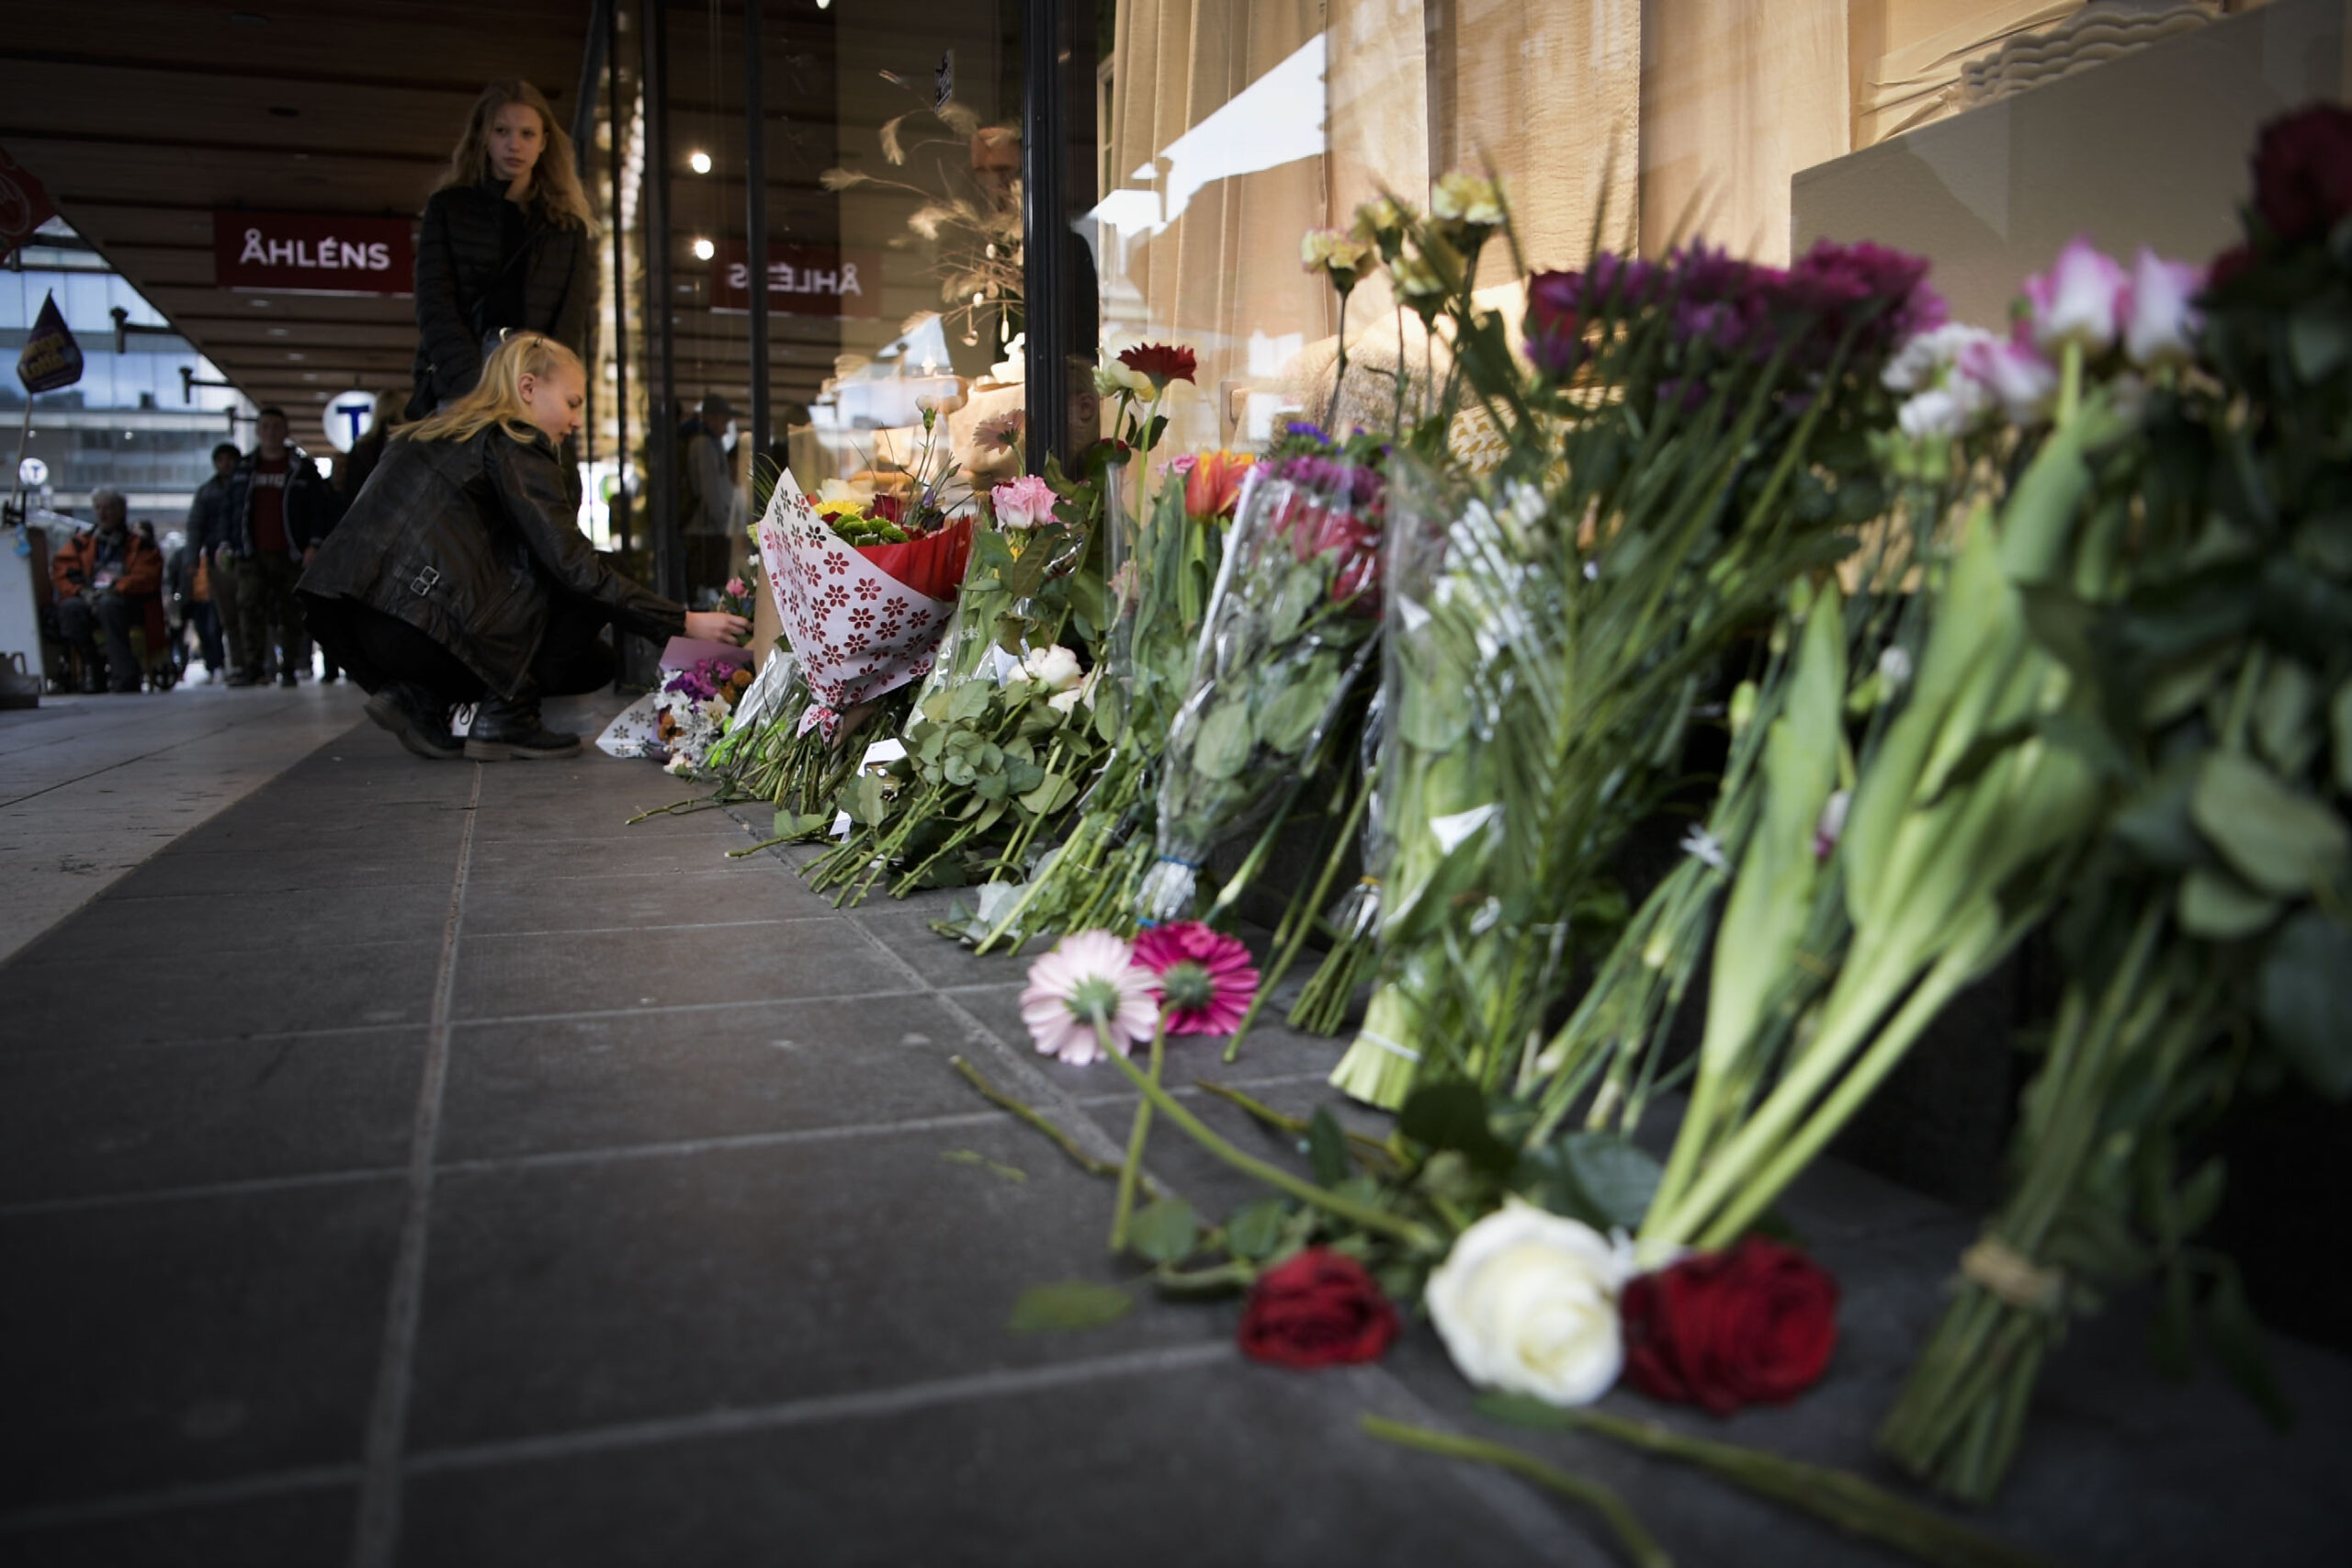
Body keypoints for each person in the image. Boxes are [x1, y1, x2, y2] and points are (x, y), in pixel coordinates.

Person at [300, 333, 748, 761]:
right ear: (528, 388)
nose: (576, 420)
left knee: (594, 657)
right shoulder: (512, 440)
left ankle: (419, 696)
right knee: (598, 578)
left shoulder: (432, 434)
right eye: (572, 403)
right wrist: (683, 622)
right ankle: (506, 713)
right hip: (422, 624)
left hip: (360, 622)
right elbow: (575, 566)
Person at [411, 81, 597, 418]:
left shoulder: (566, 229)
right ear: (484, 136)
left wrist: (542, 387)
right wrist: (473, 384)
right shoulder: (449, 210)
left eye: (527, 134)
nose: (514, 145)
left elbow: (569, 321)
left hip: (534, 390)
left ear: (543, 142)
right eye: (502, 131)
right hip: (461, 384)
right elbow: (435, 305)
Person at [220, 408, 334, 687]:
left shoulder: (302, 470)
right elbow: (230, 510)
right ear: (259, 431)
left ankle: (290, 668)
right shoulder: (244, 470)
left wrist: (314, 543)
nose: (270, 432)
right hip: (252, 553)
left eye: (276, 427)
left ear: (285, 432)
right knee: (249, 607)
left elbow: (320, 509)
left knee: (291, 611)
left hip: (290, 553)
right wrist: (225, 543)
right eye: (266, 427)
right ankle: (254, 667)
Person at [51, 490, 163, 694]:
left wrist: (116, 588)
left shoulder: (139, 544)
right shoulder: (80, 542)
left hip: (127, 604)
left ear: (121, 511)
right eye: (98, 508)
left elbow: (146, 576)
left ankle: (125, 675)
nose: (103, 513)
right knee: (69, 609)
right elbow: (63, 571)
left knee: (109, 606)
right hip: (88, 599)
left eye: (109, 508)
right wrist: (82, 591)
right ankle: (91, 668)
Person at [678, 390, 745, 596]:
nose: (725, 429)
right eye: (723, 421)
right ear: (710, 418)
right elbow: (710, 488)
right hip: (707, 530)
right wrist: (723, 523)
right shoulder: (704, 444)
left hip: (711, 527)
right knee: (709, 582)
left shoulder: (710, 443)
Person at [187, 441, 243, 680]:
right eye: (221, 460)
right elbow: (195, 526)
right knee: (228, 616)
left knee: (251, 611)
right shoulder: (207, 492)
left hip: (245, 556)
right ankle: (238, 662)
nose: (226, 464)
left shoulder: (245, 486)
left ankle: (258, 662)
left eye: (230, 459)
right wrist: (192, 558)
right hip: (218, 561)